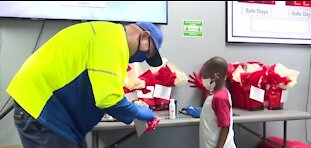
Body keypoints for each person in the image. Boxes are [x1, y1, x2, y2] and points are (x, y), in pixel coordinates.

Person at [6, 21, 164, 148]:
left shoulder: (109, 36)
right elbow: (108, 99)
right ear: (144, 36)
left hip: (56, 115)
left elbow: (104, 90)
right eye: (146, 53)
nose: (143, 59)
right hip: (42, 111)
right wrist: (137, 112)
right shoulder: (112, 41)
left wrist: (131, 111)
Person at [199, 56, 236, 148]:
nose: (204, 80)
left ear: (216, 76)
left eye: (205, 77)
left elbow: (225, 127)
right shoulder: (216, 95)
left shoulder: (220, 98)